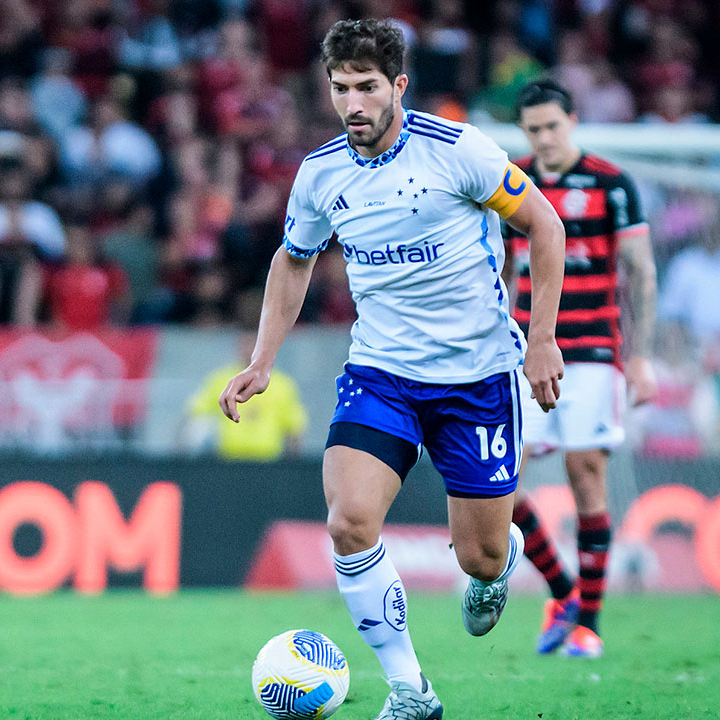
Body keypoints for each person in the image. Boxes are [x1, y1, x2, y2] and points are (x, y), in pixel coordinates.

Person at [219, 19, 565, 720]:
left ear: (398, 86)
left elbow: (546, 225)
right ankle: (412, 690)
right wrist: (262, 360)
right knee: (349, 521)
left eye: (367, 87)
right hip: (381, 372)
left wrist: (541, 341)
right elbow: (294, 258)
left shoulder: (458, 152)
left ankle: (500, 560)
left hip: (477, 376)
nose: (353, 103)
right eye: (341, 87)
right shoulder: (321, 174)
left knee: (479, 554)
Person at [507, 79, 658, 659]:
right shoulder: (512, 184)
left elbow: (641, 273)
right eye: (533, 129)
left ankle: (588, 626)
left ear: (572, 121)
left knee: (585, 472)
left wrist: (639, 355)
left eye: (552, 126)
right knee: (500, 482)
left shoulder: (611, 183)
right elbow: (502, 269)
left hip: (594, 348)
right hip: (525, 347)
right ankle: (563, 590)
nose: (544, 138)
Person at [184, 330, 306, 460]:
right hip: (228, 460)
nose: (249, 350)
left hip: (268, 461)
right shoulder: (221, 379)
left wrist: (293, 462)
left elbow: (294, 427)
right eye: (246, 344)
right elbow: (195, 415)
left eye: (254, 344)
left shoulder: (282, 384)